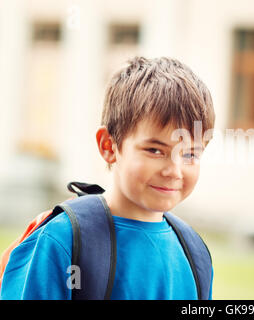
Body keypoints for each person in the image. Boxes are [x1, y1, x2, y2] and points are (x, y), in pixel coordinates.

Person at [0, 56, 215, 300]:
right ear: (109, 146)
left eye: (190, 154)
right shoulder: (63, 240)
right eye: (155, 150)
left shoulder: (195, 255)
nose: (174, 171)